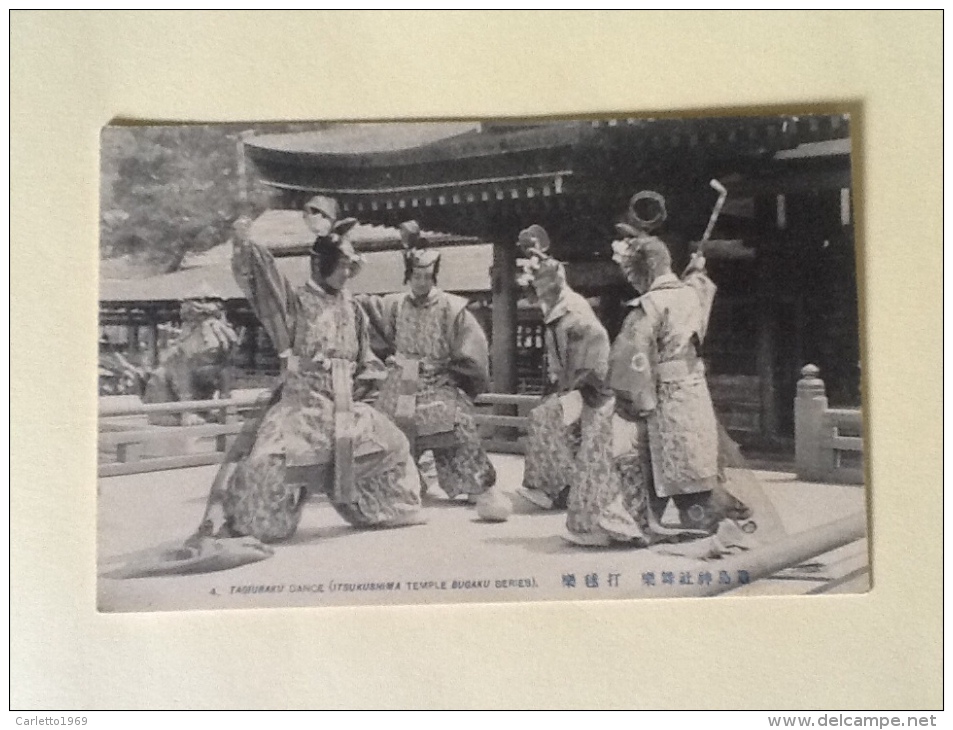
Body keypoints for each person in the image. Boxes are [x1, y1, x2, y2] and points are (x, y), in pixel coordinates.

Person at [199, 196, 424, 543]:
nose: (349, 273)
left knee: (394, 443)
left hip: (346, 405)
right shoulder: (296, 303)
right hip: (302, 402)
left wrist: (382, 374)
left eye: (351, 266)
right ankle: (261, 520)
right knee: (266, 464)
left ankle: (382, 508)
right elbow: (265, 282)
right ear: (321, 265)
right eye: (343, 266)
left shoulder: (354, 307)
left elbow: (366, 360)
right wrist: (245, 246)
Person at [565, 191, 753, 547]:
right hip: (695, 393)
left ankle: (623, 519)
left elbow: (631, 358)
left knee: (620, 449)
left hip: (663, 395)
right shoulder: (692, 293)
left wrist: (631, 400)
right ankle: (712, 518)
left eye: (634, 273)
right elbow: (701, 285)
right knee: (694, 461)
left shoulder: (648, 306)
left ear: (644, 271)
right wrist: (696, 271)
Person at [356, 220, 497, 503]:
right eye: (416, 276)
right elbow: (371, 321)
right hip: (401, 380)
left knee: (458, 420)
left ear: (435, 277)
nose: (422, 282)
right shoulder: (394, 304)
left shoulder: (452, 307)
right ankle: (401, 482)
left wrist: (455, 373)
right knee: (382, 424)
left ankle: (472, 482)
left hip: (438, 379)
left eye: (427, 277)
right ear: (409, 276)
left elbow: (472, 348)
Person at [513, 225, 612, 511]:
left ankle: (551, 487)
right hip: (571, 383)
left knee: (546, 417)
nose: (537, 293)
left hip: (590, 385)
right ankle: (561, 486)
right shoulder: (557, 309)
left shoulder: (574, 311)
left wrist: (571, 387)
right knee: (545, 414)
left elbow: (592, 349)